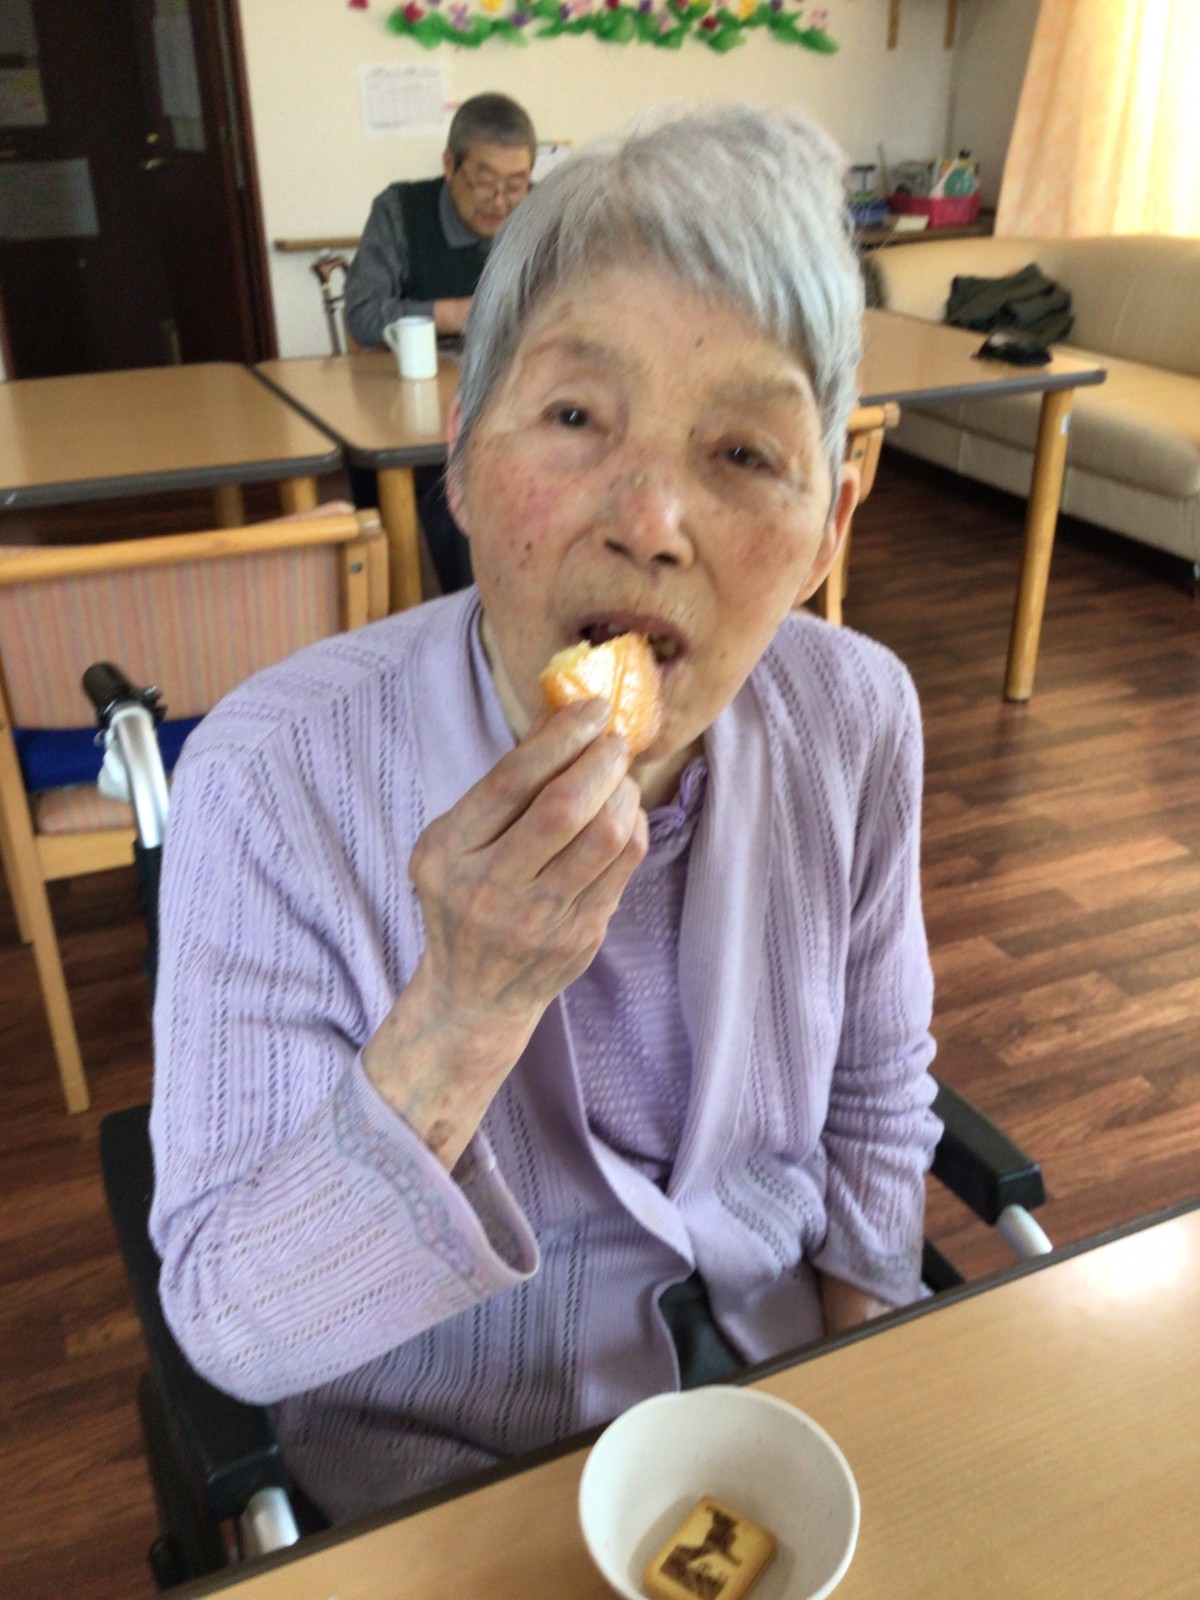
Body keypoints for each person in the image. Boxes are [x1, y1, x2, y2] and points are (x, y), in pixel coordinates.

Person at [150, 105, 941, 1530]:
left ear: (830, 523)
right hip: (443, 1476)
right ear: (460, 456)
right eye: (575, 417)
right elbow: (232, 1327)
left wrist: (860, 1384)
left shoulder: (856, 716)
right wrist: (461, 1010)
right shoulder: (268, 782)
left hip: (768, 1402)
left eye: (744, 454)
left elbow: (878, 1094)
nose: (649, 521)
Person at [343, 91, 537, 350]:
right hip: (422, 372)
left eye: (515, 186)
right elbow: (362, 315)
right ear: (449, 164)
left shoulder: (546, 213)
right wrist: (456, 316)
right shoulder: (399, 210)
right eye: (485, 182)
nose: (499, 202)